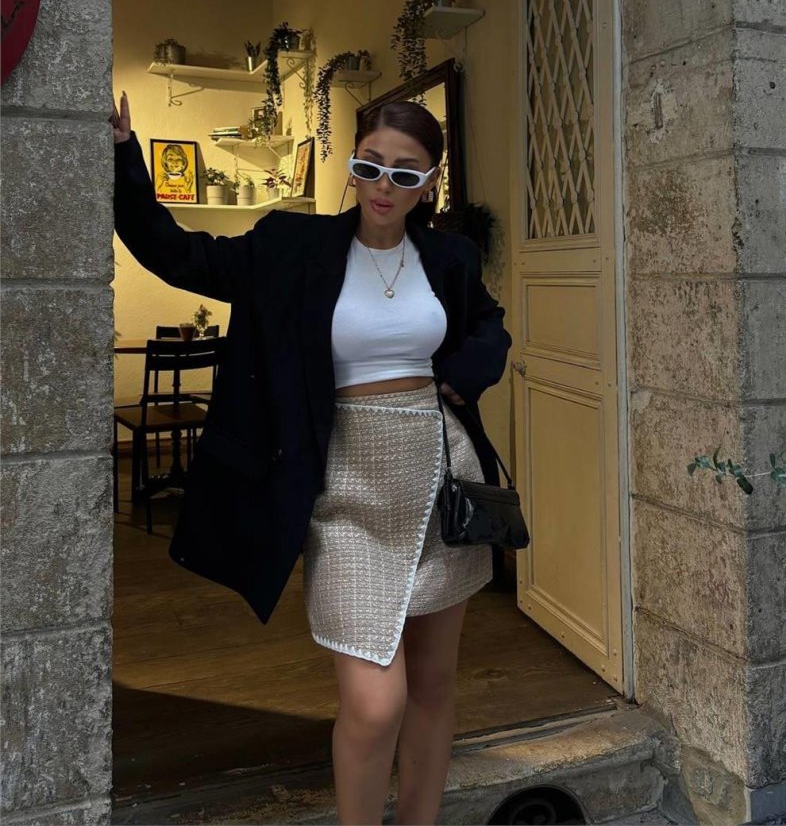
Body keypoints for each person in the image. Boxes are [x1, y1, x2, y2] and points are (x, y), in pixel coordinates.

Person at [111, 90, 511, 825]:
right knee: (374, 704)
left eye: (405, 173)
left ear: (429, 185)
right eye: (371, 165)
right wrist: (121, 156)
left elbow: (490, 325)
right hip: (344, 495)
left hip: (439, 484)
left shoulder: (449, 257)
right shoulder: (292, 246)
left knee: (432, 685)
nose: (384, 185)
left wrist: (466, 371)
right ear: (352, 165)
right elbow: (176, 252)